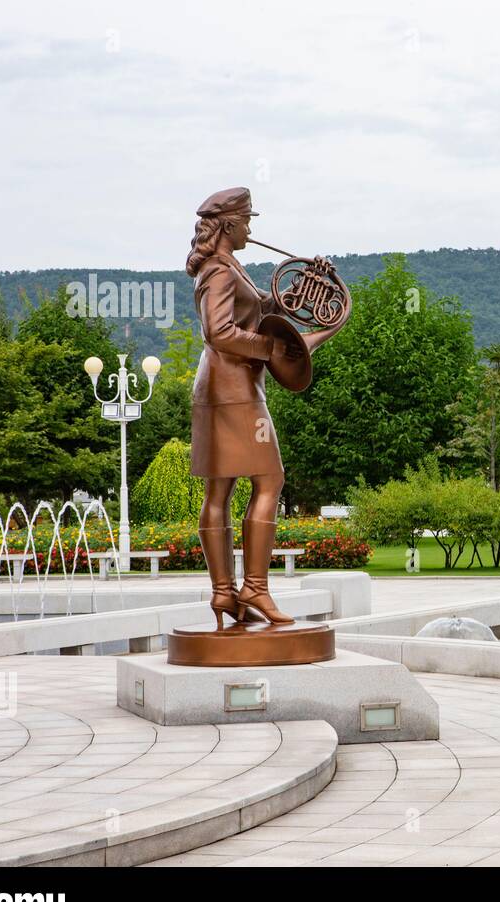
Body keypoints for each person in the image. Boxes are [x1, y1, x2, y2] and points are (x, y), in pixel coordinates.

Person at [186, 187, 346, 629]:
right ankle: (254, 586)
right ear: (229, 225)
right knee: (270, 480)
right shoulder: (219, 273)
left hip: (219, 387)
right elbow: (218, 331)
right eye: (247, 220)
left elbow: (262, 308)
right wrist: (271, 348)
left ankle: (224, 593)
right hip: (235, 387)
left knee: (218, 492)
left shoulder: (225, 268)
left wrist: (307, 283)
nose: (252, 228)